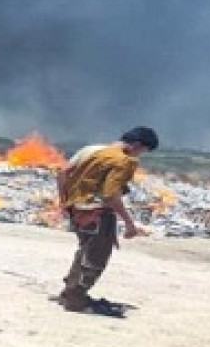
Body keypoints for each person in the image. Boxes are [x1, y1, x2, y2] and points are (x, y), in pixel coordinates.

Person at [56, 127, 159, 316]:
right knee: (96, 258)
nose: (140, 155)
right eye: (143, 150)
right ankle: (75, 300)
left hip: (77, 211)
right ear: (137, 145)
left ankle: (68, 293)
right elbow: (110, 195)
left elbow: (63, 173)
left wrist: (64, 203)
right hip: (98, 214)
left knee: (83, 253)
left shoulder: (91, 150)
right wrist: (129, 223)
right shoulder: (124, 160)